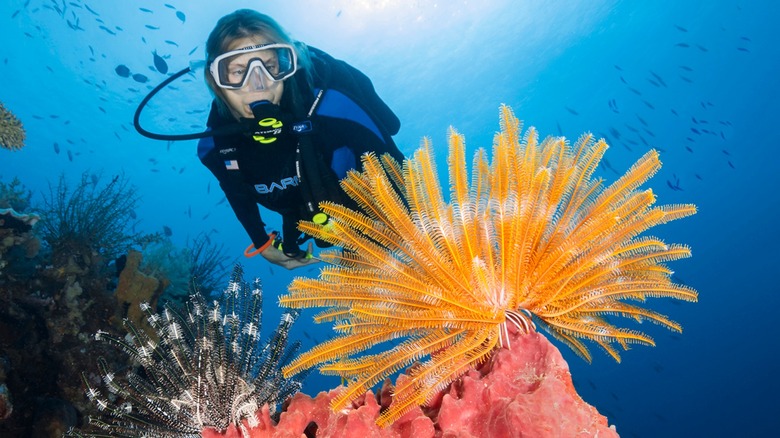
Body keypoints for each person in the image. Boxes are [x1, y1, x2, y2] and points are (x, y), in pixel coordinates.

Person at [197, 9, 405, 270]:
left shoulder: (332, 107)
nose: (259, 84)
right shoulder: (214, 148)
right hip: (302, 213)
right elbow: (235, 189)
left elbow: (396, 165)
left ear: (285, 66)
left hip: (363, 203)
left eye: (270, 66)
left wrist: (376, 246)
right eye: (238, 71)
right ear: (215, 80)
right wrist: (261, 244)